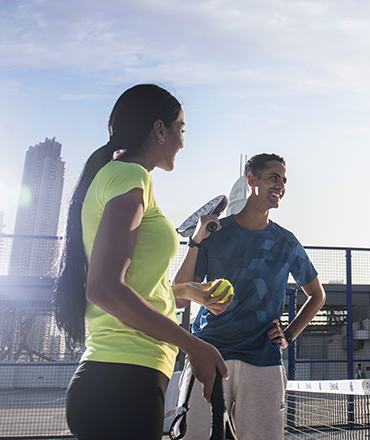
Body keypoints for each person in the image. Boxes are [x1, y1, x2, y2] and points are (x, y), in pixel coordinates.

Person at [52, 84, 230, 440]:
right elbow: (104, 287)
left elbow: (130, 286)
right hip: (124, 381)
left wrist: (186, 292)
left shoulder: (118, 176)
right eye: (181, 129)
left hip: (120, 381)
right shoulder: (132, 177)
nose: (182, 141)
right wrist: (192, 344)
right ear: (159, 129)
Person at [174, 153, 326, 440]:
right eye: (273, 177)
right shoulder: (215, 234)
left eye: (283, 180)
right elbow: (180, 297)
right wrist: (195, 241)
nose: (280, 185)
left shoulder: (287, 242)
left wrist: (289, 335)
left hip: (263, 360)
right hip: (208, 354)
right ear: (251, 180)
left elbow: (317, 296)